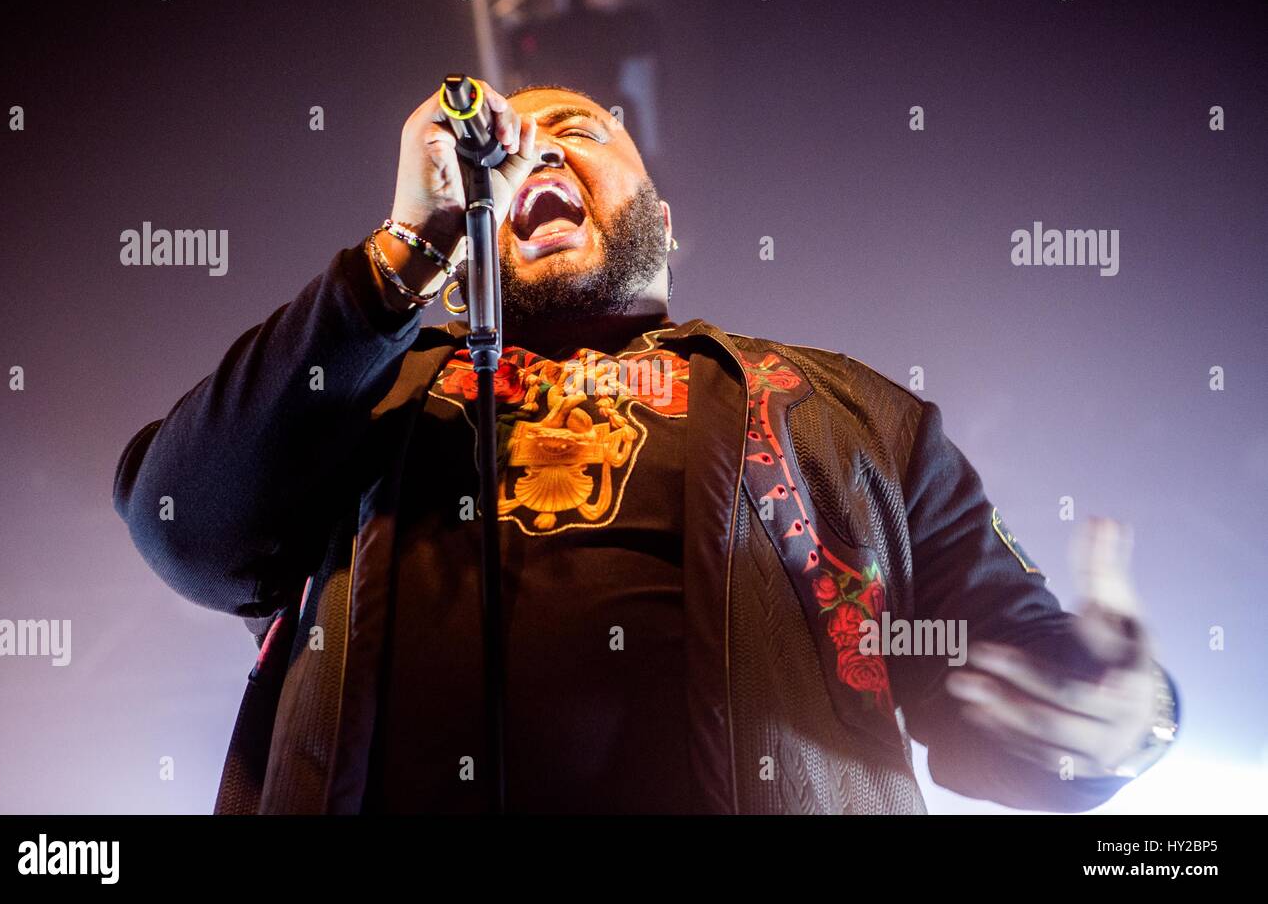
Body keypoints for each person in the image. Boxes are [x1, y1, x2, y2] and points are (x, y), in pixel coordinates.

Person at [113, 79, 1178, 814]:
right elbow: (184, 525)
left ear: (664, 216)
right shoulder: (362, 389)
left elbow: (1004, 685)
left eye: (575, 125)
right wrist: (399, 257)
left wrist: (1117, 718)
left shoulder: (851, 412)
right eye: (504, 144)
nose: (531, 150)